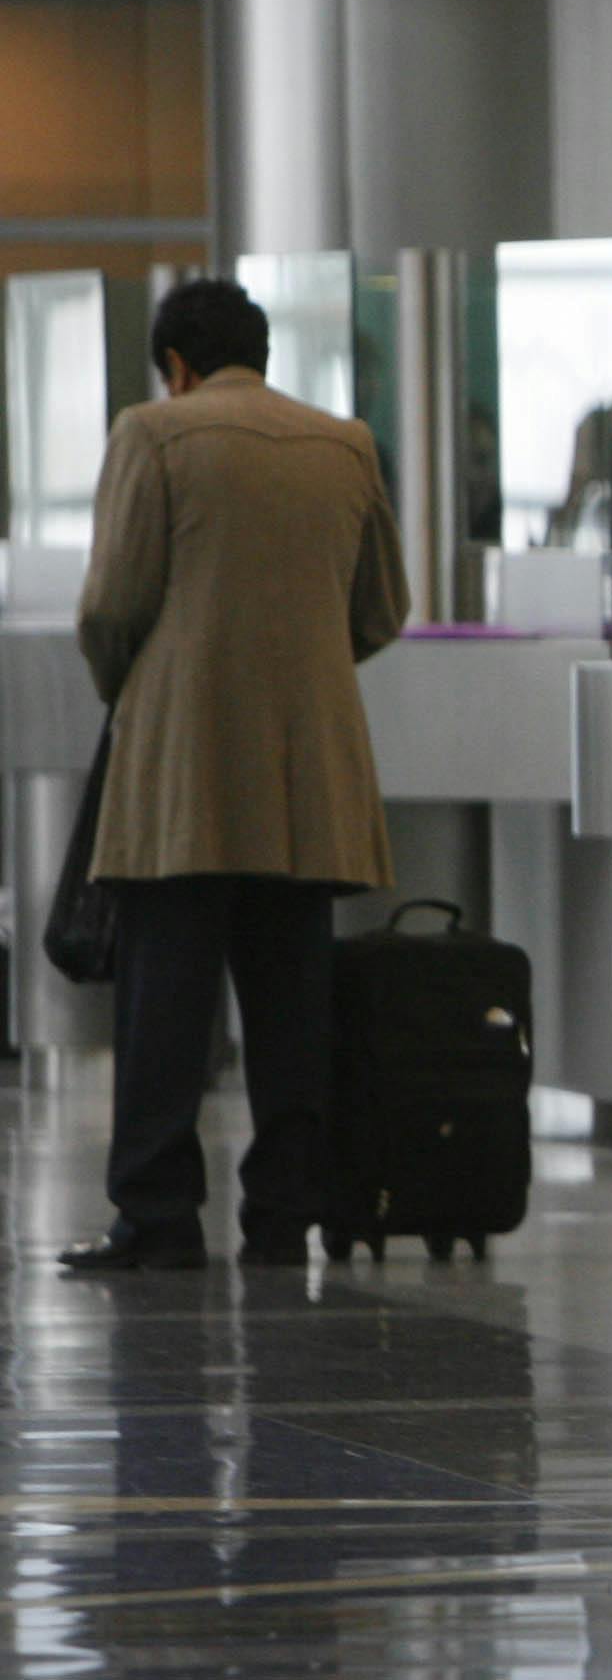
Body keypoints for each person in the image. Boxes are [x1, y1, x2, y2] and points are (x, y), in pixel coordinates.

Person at [58, 279, 408, 1272]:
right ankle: (285, 1214)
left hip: (184, 763)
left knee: (164, 999)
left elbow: (111, 605)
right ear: (262, 355)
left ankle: (160, 1217)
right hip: (311, 772)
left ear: (175, 366)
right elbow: (384, 608)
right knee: (292, 1001)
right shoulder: (345, 445)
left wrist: (136, 686)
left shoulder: (154, 435)